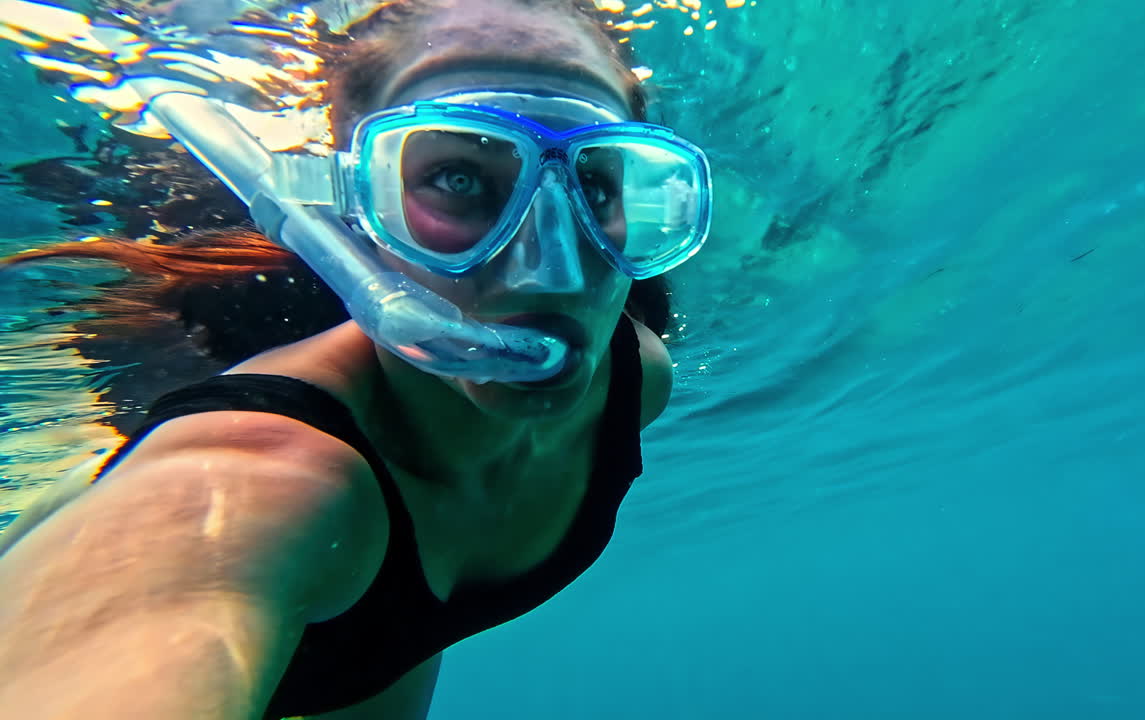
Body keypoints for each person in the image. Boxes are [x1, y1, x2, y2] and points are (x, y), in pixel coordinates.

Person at [0, 0, 712, 718]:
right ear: (355, 212)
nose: (552, 271)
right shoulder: (247, 490)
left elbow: (400, 623)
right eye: (460, 179)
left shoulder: (633, 377)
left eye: (595, 183)